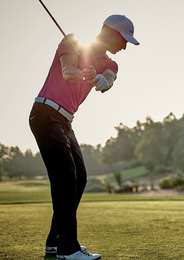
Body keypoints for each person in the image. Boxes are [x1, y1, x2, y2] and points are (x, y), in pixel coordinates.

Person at [29, 15, 139, 260]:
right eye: (124, 40)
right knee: (66, 178)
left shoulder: (110, 64)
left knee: (79, 178)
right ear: (109, 32)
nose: (124, 46)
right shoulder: (72, 42)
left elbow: (109, 80)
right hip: (45, 113)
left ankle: (54, 244)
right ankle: (68, 250)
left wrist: (101, 79)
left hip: (65, 121)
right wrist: (85, 74)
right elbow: (68, 72)